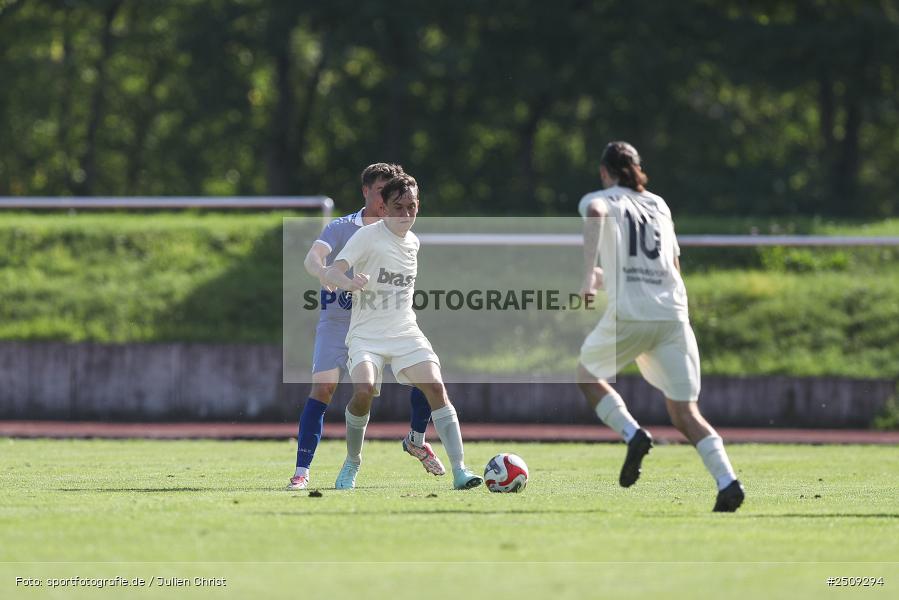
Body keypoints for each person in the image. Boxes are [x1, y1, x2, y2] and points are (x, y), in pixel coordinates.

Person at [576, 141, 745, 512]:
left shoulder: (604, 197)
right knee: (686, 413)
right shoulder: (659, 204)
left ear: (606, 172)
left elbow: (594, 210)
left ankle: (633, 434)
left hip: (633, 315)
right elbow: (669, 267)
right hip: (673, 316)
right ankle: (728, 481)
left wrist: (588, 275)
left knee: (588, 376)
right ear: (637, 168)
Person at [320, 173, 483, 491]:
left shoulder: (414, 241)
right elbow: (332, 271)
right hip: (366, 334)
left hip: (405, 330)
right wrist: (349, 283)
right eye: (399, 207)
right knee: (363, 391)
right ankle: (353, 461)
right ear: (384, 206)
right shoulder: (367, 236)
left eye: (412, 207)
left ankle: (460, 471)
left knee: (436, 387)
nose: (406, 214)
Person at [288, 164, 444, 491]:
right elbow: (312, 260)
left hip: (383, 324)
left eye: (392, 193)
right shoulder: (342, 227)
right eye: (380, 192)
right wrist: (329, 276)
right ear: (366, 193)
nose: (386, 200)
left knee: (423, 373)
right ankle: (301, 472)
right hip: (338, 321)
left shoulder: (401, 233)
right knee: (324, 388)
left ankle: (416, 438)